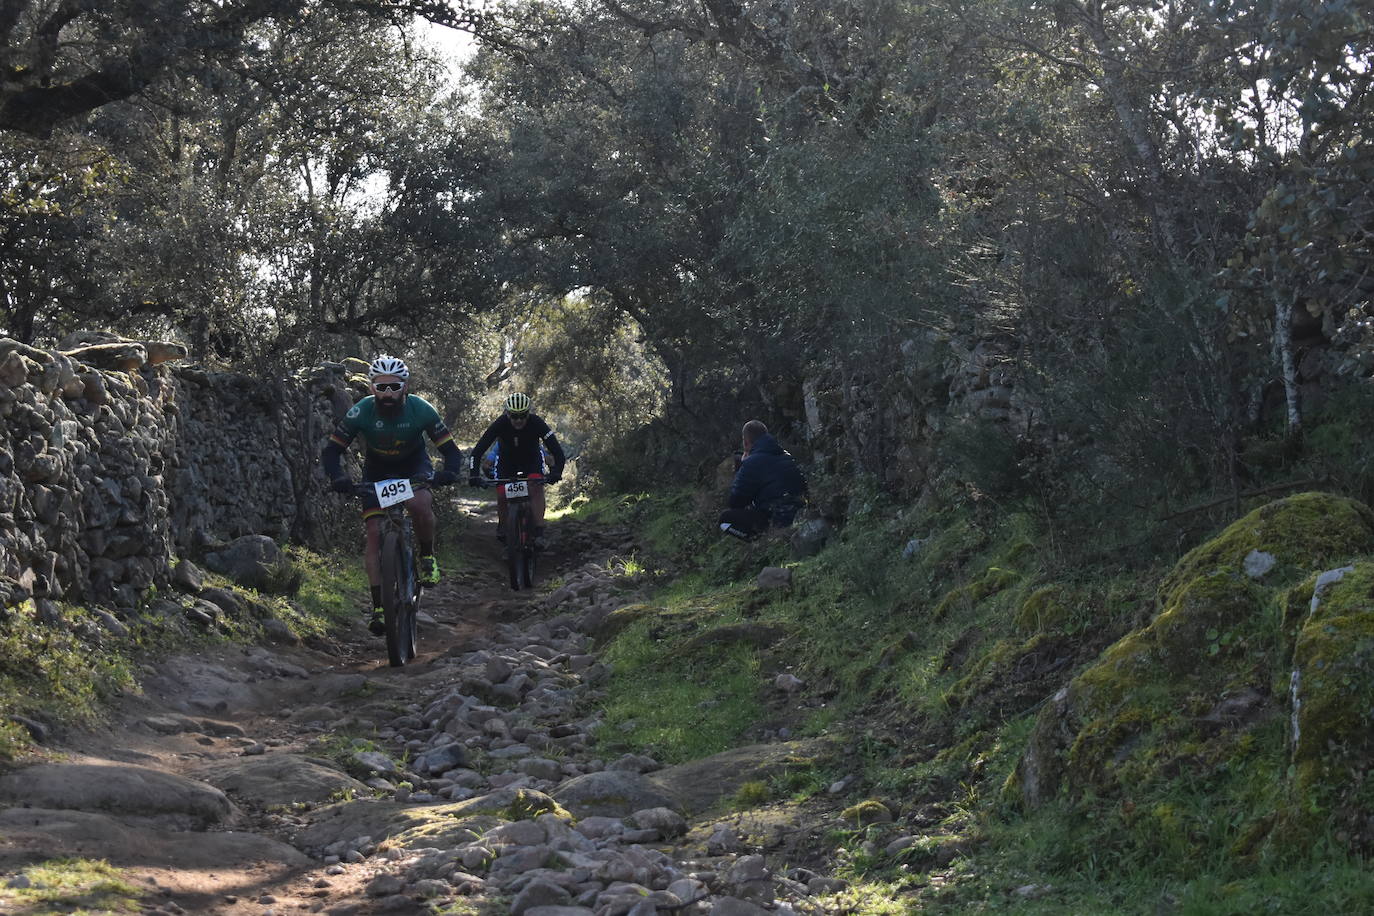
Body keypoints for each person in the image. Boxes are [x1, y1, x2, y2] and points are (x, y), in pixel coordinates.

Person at [321, 356, 464, 635]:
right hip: (377, 471)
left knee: (419, 504)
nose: (388, 394)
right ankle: (378, 607)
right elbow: (332, 450)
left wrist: (449, 472)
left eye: (394, 387)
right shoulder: (361, 411)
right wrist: (338, 477)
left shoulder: (421, 409)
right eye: (381, 387)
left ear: (405, 387)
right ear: (372, 387)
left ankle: (427, 557)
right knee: (374, 533)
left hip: (413, 465)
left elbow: (450, 450)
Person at [468, 392, 566, 544]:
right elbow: (477, 452)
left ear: (528, 413)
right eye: (514, 416)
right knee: (502, 494)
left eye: (523, 415)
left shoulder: (537, 423)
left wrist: (556, 472)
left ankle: (539, 531)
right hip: (506, 462)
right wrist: (474, 474)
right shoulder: (500, 423)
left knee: (536, 488)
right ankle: (503, 525)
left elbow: (557, 452)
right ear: (508, 414)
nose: (519, 420)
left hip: (531, 461)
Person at [719, 420, 807, 540]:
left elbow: (736, 502)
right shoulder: (785, 455)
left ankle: (759, 541)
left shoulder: (751, 463)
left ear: (746, 442)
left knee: (725, 520)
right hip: (802, 511)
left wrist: (741, 468)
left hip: (778, 517)